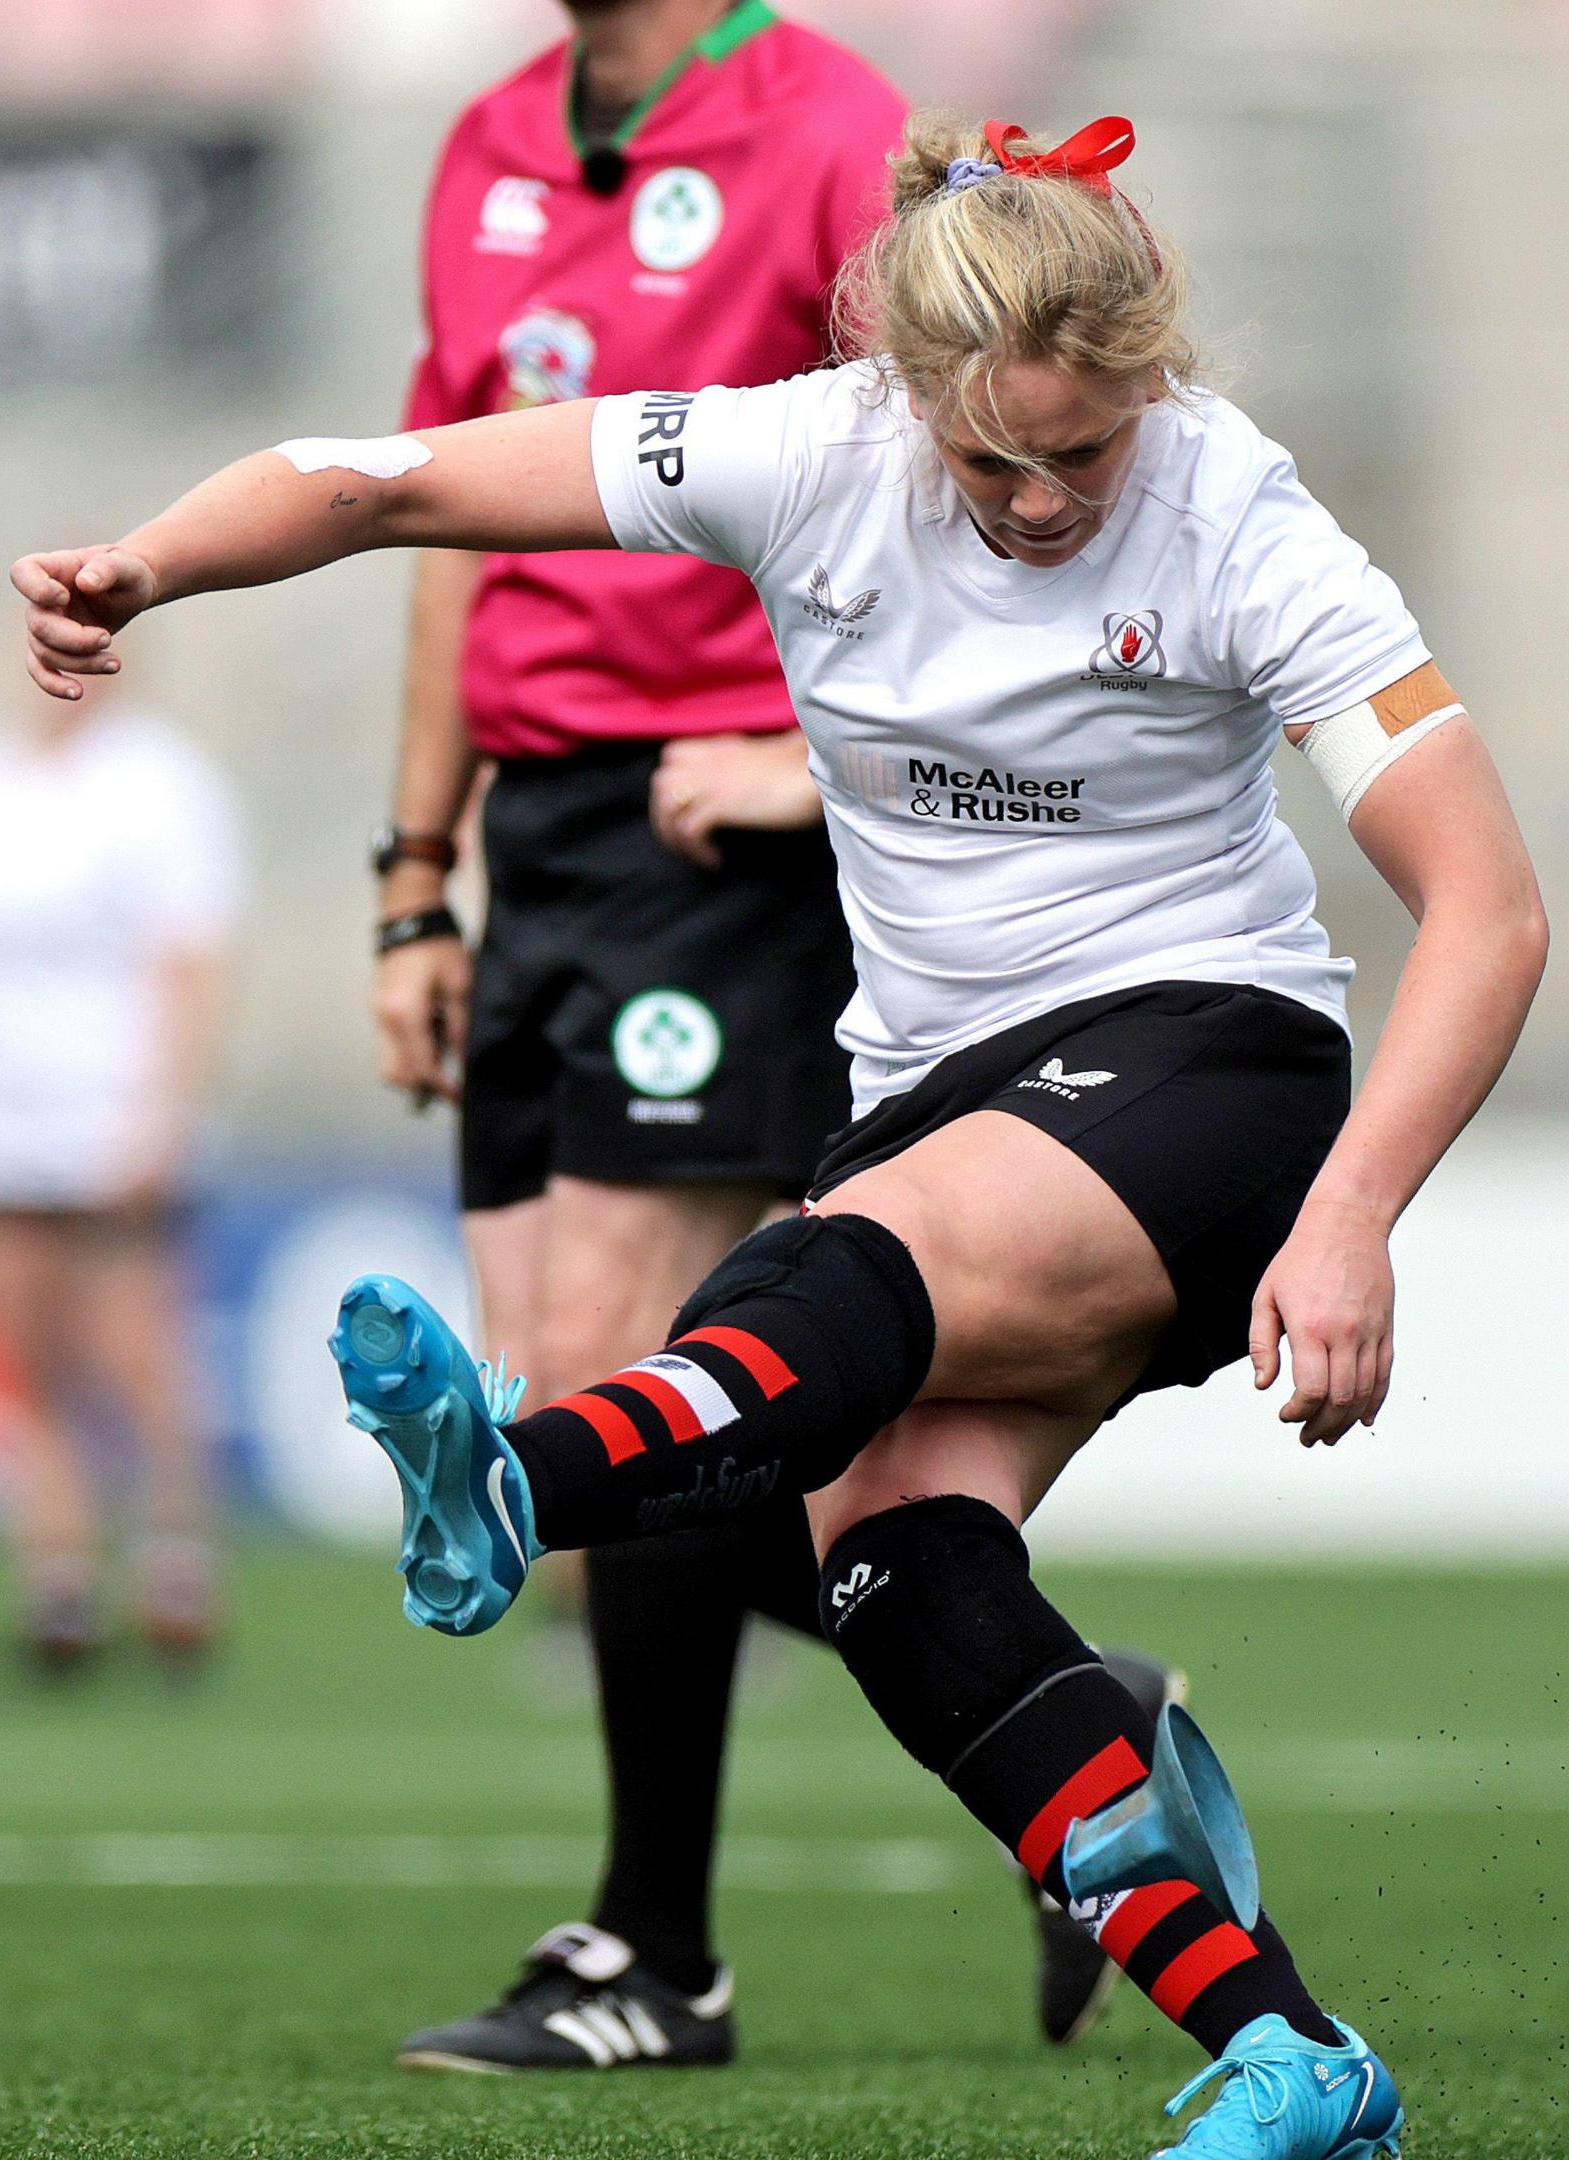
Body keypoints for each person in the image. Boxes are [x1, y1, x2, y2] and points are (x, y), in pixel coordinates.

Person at [15, 113, 1545, 2160]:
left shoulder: (1237, 514)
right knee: (904, 1582)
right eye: (988, 457)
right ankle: (1296, 2060)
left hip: (1214, 1067)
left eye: (1079, 455)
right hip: (943, 1091)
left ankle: (517, 1485)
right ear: (905, 391)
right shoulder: (798, 455)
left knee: (812, 1284)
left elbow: (1492, 906)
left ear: (1151, 383)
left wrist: (1355, 1219)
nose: (1031, 500)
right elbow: (389, 482)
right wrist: (150, 565)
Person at [379, 0, 1162, 2069]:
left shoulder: (827, 127)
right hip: (538, 842)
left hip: (711, 821)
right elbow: (452, 516)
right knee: (588, 1434)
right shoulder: (485, 146)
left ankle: (657, 1958)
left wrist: (815, 762)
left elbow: (966, 486)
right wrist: (411, 877)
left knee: (626, 1397)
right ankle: (1076, 1727)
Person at [0, 692, 241, 1672]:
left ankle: (176, 1565)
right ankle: (58, 1575)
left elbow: (189, 960)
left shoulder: (162, 782)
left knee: (137, 1352)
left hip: (110, 1106)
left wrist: (162, 1110)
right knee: (21, 1357)